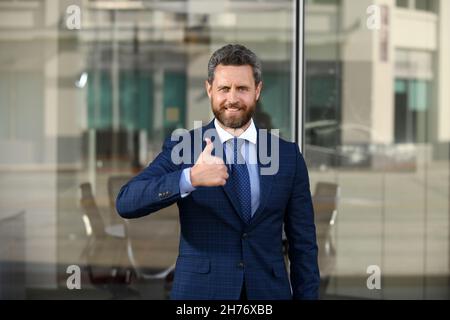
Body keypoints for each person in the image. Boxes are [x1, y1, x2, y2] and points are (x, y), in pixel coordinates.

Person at [116, 44, 320, 300]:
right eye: (224, 88)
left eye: (242, 88)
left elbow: (303, 246)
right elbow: (126, 201)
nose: (232, 98)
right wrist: (189, 178)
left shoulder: (287, 156)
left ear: (257, 90)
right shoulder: (185, 148)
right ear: (209, 89)